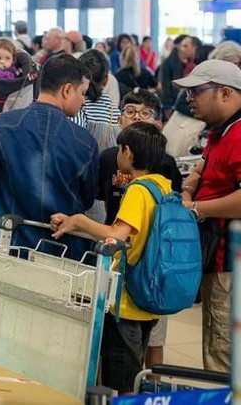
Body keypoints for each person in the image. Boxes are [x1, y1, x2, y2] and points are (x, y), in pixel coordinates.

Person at [51, 122, 169, 394]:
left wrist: (79, 220)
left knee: (122, 381)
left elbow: (118, 236)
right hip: (148, 297)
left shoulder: (138, 190)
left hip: (126, 301)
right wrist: (76, 223)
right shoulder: (162, 186)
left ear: (127, 152)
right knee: (134, 370)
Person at [0, 55, 99, 253]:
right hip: (61, 249)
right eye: (83, 93)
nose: (83, 101)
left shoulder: (1, 125)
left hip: (6, 240)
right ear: (67, 90)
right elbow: (87, 199)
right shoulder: (85, 142)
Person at [95, 90, 182, 374]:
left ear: (158, 122)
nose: (136, 117)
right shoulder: (108, 159)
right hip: (134, 266)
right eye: (130, 111)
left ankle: (144, 389)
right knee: (131, 348)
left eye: (145, 113)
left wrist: (78, 223)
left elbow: (117, 232)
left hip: (141, 269)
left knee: (134, 352)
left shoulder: (158, 172)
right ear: (119, 118)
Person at [175, 60, 241, 373]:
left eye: (197, 91)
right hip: (218, 259)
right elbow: (202, 166)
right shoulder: (221, 130)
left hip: (231, 264)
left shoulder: (239, 134)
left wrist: (197, 208)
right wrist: (189, 189)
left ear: (226, 93)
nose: (189, 98)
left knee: (223, 357)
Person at [159, 35, 196, 116]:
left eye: (191, 46)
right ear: (177, 46)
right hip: (172, 104)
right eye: (185, 46)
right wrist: (168, 106)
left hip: (185, 103)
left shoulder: (191, 64)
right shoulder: (168, 63)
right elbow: (166, 87)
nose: (189, 49)